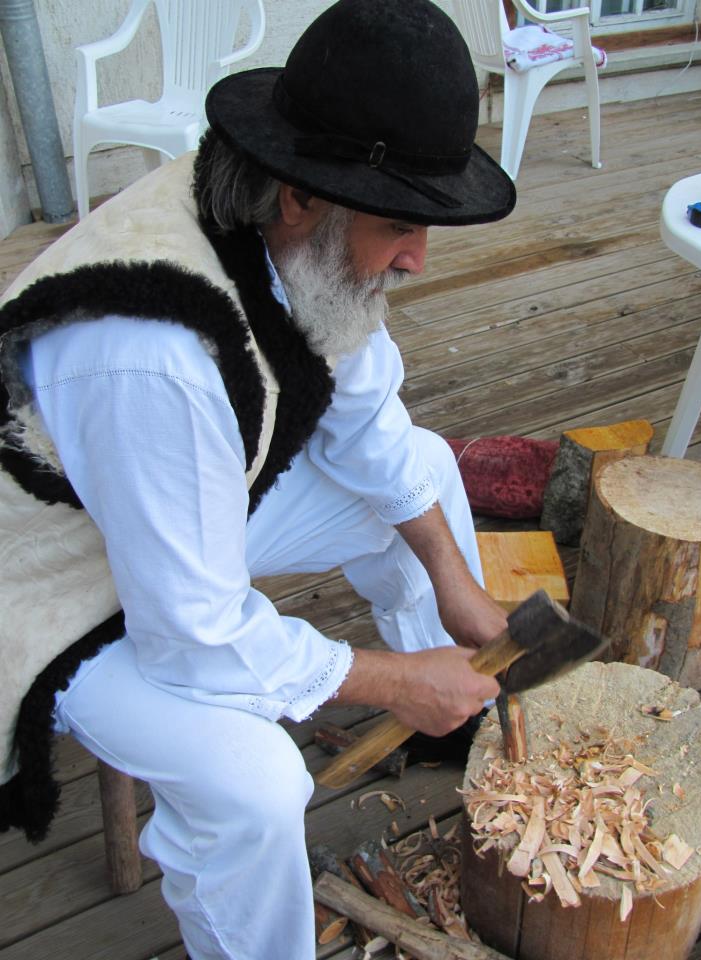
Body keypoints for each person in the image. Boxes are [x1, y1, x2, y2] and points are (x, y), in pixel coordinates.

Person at [0, 0, 516, 957]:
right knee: (256, 784)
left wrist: (455, 585)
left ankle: (454, 709)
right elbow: (193, 634)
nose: (417, 258)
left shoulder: (297, 241)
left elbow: (367, 418)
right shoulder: (152, 353)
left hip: (172, 512)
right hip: (49, 589)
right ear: (302, 198)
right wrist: (390, 682)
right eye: (400, 225)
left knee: (425, 470)